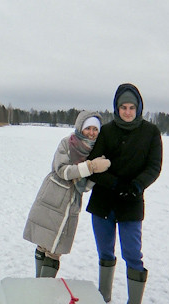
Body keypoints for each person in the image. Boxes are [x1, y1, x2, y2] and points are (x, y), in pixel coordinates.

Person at [85, 83, 162, 304]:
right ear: (116, 108)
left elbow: (154, 166)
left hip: (132, 201)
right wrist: (114, 183)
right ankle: (103, 297)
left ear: (138, 108)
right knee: (105, 251)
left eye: (131, 107)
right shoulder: (106, 132)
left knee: (132, 253)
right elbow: (92, 165)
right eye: (122, 107)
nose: (127, 112)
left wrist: (137, 186)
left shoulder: (151, 132)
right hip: (104, 200)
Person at [23, 110, 110, 277]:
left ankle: (44, 286)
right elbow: (62, 171)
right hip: (53, 197)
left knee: (55, 248)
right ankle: (39, 286)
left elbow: (85, 186)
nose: (91, 133)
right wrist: (90, 167)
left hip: (71, 203)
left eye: (95, 129)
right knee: (44, 243)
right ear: (80, 128)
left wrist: (95, 175)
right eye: (88, 128)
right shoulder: (67, 143)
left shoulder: (96, 152)